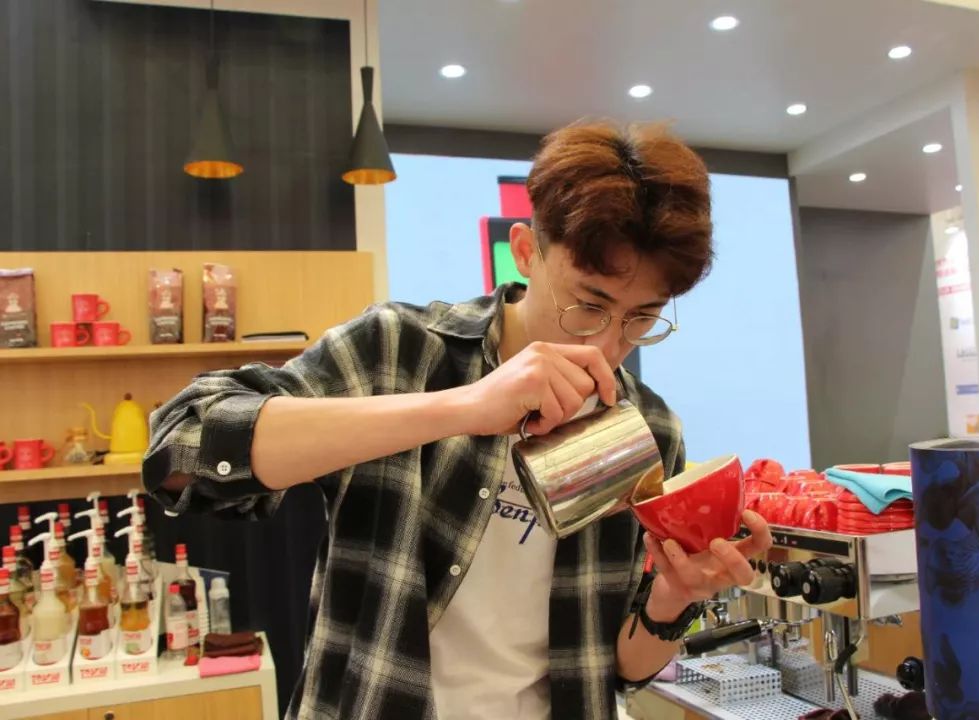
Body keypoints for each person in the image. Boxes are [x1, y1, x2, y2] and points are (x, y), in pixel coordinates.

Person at [143, 119, 773, 720]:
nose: (609, 346)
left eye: (642, 318)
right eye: (589, 304)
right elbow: (180, 447)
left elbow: (620, 669)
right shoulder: (401, 351)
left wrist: (675, 597)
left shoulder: (650, 429)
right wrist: (463, 407)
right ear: (525, 252)